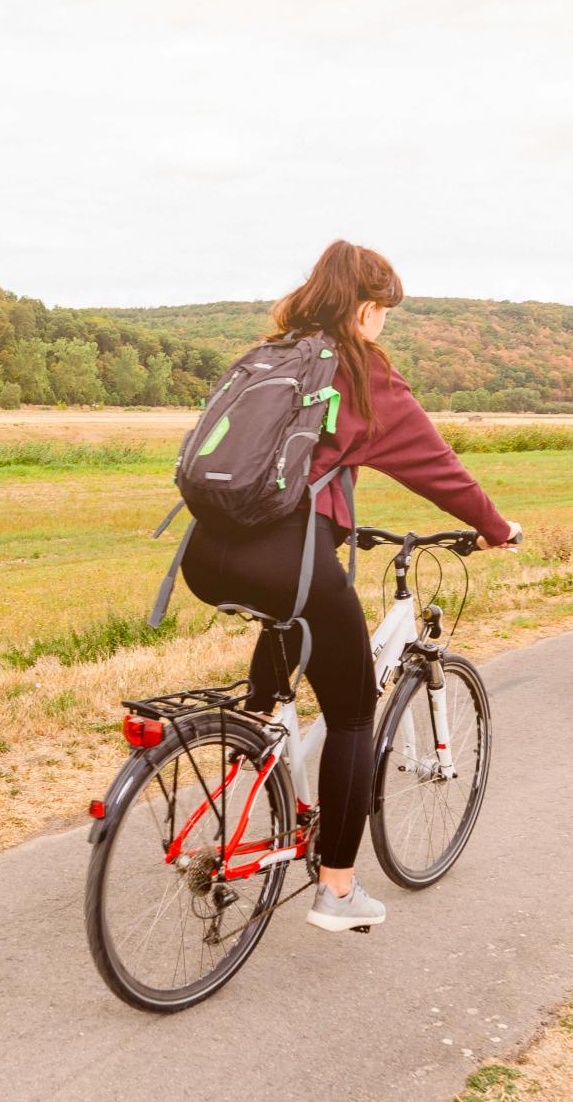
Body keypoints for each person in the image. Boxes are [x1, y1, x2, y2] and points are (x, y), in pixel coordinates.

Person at [180, 240, 518, 933]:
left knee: (284, 661)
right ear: (366, 308)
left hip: (206, 554)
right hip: (288, 561)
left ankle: (258, 763)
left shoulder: (272, 354)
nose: (384, 323)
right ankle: (336, 891)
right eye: (383, 310)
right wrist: (495, 526)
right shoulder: (363, 377)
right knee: (356, 708)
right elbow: (439, 469)